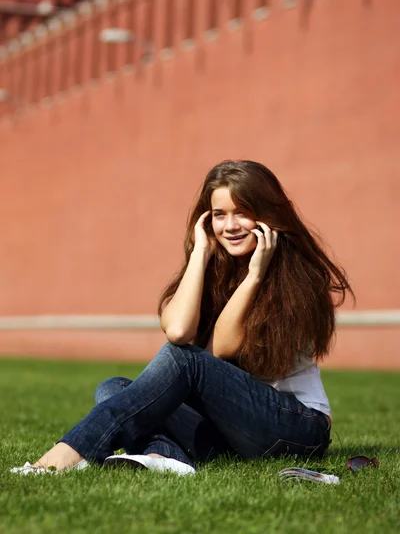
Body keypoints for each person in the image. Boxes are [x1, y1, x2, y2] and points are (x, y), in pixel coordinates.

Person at [11, 160, 354, 476]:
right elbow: (178, 328)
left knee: (182, 360)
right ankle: (166, 457)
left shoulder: (298, 278)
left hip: (296, 429)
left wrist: (254, 277)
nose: (230, 225)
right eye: (219, 214)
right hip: (236, 431)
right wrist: (201, 252)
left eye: (243, 212)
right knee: (113, 388)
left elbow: (214, 353)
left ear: (267, 213)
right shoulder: (214, 268)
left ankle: (64, 455)